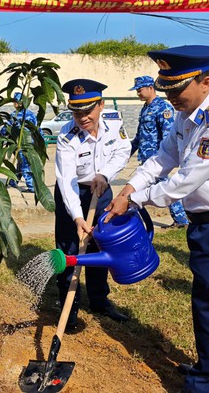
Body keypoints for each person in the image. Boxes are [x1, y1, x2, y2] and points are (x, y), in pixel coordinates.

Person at [105, 46, 209, 392]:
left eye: (177, 89)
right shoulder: (186, 116)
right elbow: (163, 158)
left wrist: (136, 200)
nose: (170, 96)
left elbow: (185, 179)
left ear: (206, 81)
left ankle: (206, 382)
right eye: (166, 89)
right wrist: (130, 187)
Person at [54, 78, 132, 330]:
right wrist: (77, 217)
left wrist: (105, 175)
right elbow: (67, 181)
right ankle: (69, 308)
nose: (82, 117)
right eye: (77, 112)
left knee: (100, 246)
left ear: (101, 105)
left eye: (88, 111)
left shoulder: (114, 124)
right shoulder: (67, 136)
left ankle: (100, 301)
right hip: (75, 196)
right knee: (71, 249)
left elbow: (123, 150)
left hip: (102, 190)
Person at [129, 75, 190, 227]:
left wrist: (163, 156)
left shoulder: (163, 108)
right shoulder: (145, 109)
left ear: (151, 88)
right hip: (146, 157)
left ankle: (181, 219)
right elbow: (139, 136)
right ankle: (180, 219)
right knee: (145, 186)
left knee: (162, 186)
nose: (138, 93)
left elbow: (169, 135)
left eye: (140, 89)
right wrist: (128, 153)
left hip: (158, 158)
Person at [5, 92, 37, 192]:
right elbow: (37, 129)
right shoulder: (32, 114)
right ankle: (13, 181)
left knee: (24, 165)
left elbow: (6, 129)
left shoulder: (15, 115)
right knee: (21, 163)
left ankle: (31, 186)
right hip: (31, 144)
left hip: (22, 144)